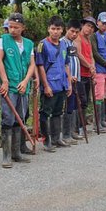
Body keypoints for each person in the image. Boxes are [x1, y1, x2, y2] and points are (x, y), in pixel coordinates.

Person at [0, 13, 34, 167]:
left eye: (16, 27)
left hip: (23, 86)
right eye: (10, 26)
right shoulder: (3, 40)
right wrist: (4, 80)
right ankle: (6, 155)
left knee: (21, 117)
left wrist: (26, 81)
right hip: (9, 86)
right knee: (8, 118)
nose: (12, 30)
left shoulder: (29, 43)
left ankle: (17, 153)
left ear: (23, 28)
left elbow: (32, 64)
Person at [35, 16, 72, 151]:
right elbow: (40, 66)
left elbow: (66, 64)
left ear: (62, 30)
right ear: (48, 29)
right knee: (45, 113)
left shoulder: (63, 44)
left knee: (57, 112)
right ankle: (46, 140)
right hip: (50, 84)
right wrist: (46, 86)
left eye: (58, 29)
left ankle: (57, 138)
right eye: (53, 29)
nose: (55, 32)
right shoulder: (42, 45)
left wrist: (69, 83)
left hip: (61, 84)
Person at [60, 19, 84, 144]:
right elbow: (63, 64)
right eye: (72, 31)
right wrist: (69, 77)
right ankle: (65, 134)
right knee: (68, 106)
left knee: (74, 104)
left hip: (76, 79)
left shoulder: (73, 44)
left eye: (76, 32)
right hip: (67, 81)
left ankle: (72, 131)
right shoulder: (62, 43)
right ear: (66, 29)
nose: (74, 34)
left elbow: (75, 61)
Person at [91, 12, 106, 129]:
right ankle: (97, 123)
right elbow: (95, 53)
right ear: (98, 22)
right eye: (103, 23)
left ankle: (102, 120)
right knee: (99, 95)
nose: (104, 26)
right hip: (99, 70)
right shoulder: (94, 36)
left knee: (105, 94)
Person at [75, 17, 99, 133]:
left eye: (92, 27)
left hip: (88, 73)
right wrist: (89, 65)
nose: (89, 29)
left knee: (85, 101)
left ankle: (82, 125)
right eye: (88, 26)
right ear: (82, 25)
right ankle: (78, 126)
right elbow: (79, 54)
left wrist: (93, 67)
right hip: (80, 73)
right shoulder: (78, 38)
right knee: (81, 100)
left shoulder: (88, 39)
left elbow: (91, 55)